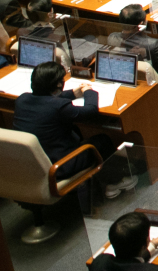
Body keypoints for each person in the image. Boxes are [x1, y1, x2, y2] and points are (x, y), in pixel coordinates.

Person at [15, 61, 137, 200]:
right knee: (103, 140)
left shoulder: (22, 100)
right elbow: (90, 111)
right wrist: (89, 92)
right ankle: (115, 183)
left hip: (33, 164)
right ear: (58, 85)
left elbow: (46, 100)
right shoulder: (59, 107)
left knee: (75, 130)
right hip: (60, 167)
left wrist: (73, 93)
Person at [91, 213, 158, 271]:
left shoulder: (100, 262)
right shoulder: (154, 270)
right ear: (144, 244)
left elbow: (129, 264)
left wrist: (157, 241)